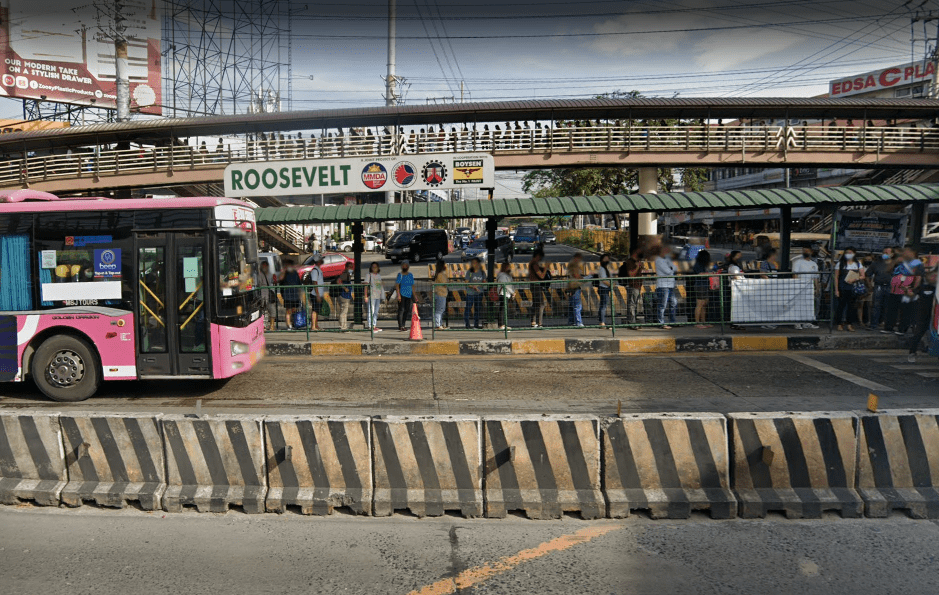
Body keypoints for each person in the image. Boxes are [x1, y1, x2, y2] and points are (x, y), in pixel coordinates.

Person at [883, 246, 925, 336]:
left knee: (905, 311)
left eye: (906, 251)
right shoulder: (900, 262)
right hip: (894, 290)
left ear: (912, 252)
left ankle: (902, 329)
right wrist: (895, 261)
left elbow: (918, 277)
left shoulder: (917, 263)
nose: (904, 253)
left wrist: (913, 290)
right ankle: (889, 327)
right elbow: (887, 270)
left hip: (906, 290)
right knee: (891, 310)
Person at [906, 262, 937, 362]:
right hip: (923, 313)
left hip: (935, 314)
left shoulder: (936, 288)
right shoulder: (922, 288)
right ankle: (912, 352)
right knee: (918, 333)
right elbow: (913, 294)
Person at [833, 247, 864, 332]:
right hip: (842, 287)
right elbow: (836, 277)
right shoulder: (840, 264)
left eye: (850, 252)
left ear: (854, 253)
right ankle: (839, 324)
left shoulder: (858, 264)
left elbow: (862, 275)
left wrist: (855, 279)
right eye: (847, 252)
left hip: (853, 288)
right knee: (841, 306)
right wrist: (836, 290)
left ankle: (849, 324)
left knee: (852, 307)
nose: (848, 254)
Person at [867, 246, 896, 331]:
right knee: (876, 305)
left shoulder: (895, 264)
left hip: (891, 287)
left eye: (887, 253)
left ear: (892, 254)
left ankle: (885, 324)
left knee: (888, 306)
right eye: (884, 252)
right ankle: (873, 325)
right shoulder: (876, 263)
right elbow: (867, 274)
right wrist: (869, 286)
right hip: (878, 286)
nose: (885, 254)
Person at [792, 246, 821, 330]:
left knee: (809, 305)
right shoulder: (798, 262)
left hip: (810, 288)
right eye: (804, 250)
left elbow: (815, 277)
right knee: (798, 305)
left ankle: (806, 322)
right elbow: (795, 274)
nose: (805, 251)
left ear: (811, 252)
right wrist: (796, 286)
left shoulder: (814, 264)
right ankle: (797, 323)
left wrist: (817, 288)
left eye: (807, 250)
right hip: (800, 287)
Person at [653, 244, 677, 329]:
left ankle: (672, 321)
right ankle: (661, 322)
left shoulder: (667, 259)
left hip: (670, 285)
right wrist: (671, 268)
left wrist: (672, 268)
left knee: (673, 303)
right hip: (663, 285)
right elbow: (668, 271)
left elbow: (674, 268)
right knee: (662, 304)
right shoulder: (658, 260)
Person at [618, 249, 643, 329]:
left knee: (634, 304)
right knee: (632, 305)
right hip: (633, 285)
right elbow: (631, 274)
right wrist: (637, 267)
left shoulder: (636, 262)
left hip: (637, 285)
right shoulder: (630, 262)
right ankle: (632, 323)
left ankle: (632, 320)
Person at [279, 259, 303, 330]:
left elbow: (299, 283)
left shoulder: (295, 272)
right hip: (287, 295)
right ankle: (288, 325)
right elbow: (280, 279)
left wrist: (300, 294)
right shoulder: (284, 273)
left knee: (294, 309)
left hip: (295, 295)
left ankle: (293, 323)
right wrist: (284, 270)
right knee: (288, 310)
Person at [692, 249, 712, 329]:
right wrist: (711, 274)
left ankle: (703, 322)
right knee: (699, 304)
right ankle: (697, 322)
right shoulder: (698, 264)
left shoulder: (702, 264)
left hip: (704, 284)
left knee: (704, 304)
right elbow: (700, 274)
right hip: (700, 285)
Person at [304, 255, 325, 331]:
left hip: (318, 293)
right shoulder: (315, 270)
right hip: (316, 294)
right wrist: (318, 295)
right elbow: (314, 282)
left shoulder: (318, 270)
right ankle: (313, 326)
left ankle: (316, 325)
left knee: (317, 310)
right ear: (318, 261)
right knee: (315, 310)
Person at [528, 249, 549, 328]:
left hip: (533, 285)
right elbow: (541, 276)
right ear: (537, 256)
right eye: (540, 257)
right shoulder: (534, 264)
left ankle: (533, 322)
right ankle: (539, 323)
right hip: (536, 285)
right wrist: (546, 268)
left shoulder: (531, 263)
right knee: (541, 304)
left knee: (536, 304)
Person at [464, 258, 486, 329]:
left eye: (475, 262)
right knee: (468, 308)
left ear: (478, 264)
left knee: (477, 309)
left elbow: (484, 282)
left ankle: (476, 325)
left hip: (479, 293)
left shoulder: (482, 272)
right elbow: (466, 282)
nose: (473, 264)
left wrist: (478, 286)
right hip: (470, 293)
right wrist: (473, 286)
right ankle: (467, 325)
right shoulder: (469, 272)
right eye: (472, 263)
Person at [395, 260, 415, 332]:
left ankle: (403, 324)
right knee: (401, 310)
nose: (405, 266)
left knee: (407, 310)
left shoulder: (410, 275)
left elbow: (412, 286)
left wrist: (414, 296)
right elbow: (397, 285)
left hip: (409, 294)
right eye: (403, 265)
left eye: (406, 265)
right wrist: (398, 295)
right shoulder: (400, 275)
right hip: (402, 294)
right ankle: (400, 326)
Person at [256, 260, 277, 331]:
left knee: (272, 311)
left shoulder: (270, 274)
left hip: (270, 295)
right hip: (263, 295)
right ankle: (264, 326)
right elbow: (258, 284)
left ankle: (272, 326)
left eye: (266, 265)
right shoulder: (260, 274)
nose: (264, 267)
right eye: (263, 265)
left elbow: (274, 282)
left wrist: (275, 281)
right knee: (264, 312)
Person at [566, 252, 585, 327]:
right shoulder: (575, 266)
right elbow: (576, 275)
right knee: (577, 306)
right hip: (575, 287)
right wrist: (583, 278)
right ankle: (578, 322)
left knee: (572, 305)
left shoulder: (570, 266)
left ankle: (571, 321)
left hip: (570, 287)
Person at [496, 262, 516, 330]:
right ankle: (501, 325)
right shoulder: (502, 275)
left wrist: (512, 292)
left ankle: (503, 324)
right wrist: (512, 292)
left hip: (507, 294)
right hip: (503, 293)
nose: (510, 268)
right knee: (502, 309)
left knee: (504, 309)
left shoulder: (507, 275)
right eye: (508, 267)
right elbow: (506, 285)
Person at [366, 262, 384, 332]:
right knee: (371, 310)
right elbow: (366, 286)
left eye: (376, 267)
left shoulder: (379, 276)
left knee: (376, 311)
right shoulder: (369, 275)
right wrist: (366, 296)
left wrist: (382, 295)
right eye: (373, 267)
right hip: (372, 295)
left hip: (378, 295)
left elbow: (380, 286)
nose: (374, 268)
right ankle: (370, 325)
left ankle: (374, 325)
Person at [336, 263, 354, 331]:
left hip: (345, 295)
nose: (351, 268)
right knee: (344, 312)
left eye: (352, 267)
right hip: (344, 295)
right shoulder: (345, 274)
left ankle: (342, 325)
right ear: (346, 267)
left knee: (342, 311)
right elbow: (338, 281)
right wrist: (344, 288)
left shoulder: (347, 274)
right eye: (349, 267)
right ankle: (343, 327)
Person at [596, 253, 613, 327]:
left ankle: (601, 321)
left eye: (608, 258)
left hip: (605, 288)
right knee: (603, 306)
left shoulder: (605, 268)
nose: (607, 260)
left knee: (603, 305)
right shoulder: (602, 269)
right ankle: (602, 322)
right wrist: (611, 285)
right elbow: (603, 280)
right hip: (604, 288)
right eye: (605, 258)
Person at [432, 260, 449, 330]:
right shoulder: (441, 275)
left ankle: (440, 324)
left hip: (440, 294)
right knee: (439, 310)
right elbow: (445, 283)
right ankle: (438, 325)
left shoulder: (439, 274)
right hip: (440, 294)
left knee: (441, 310)